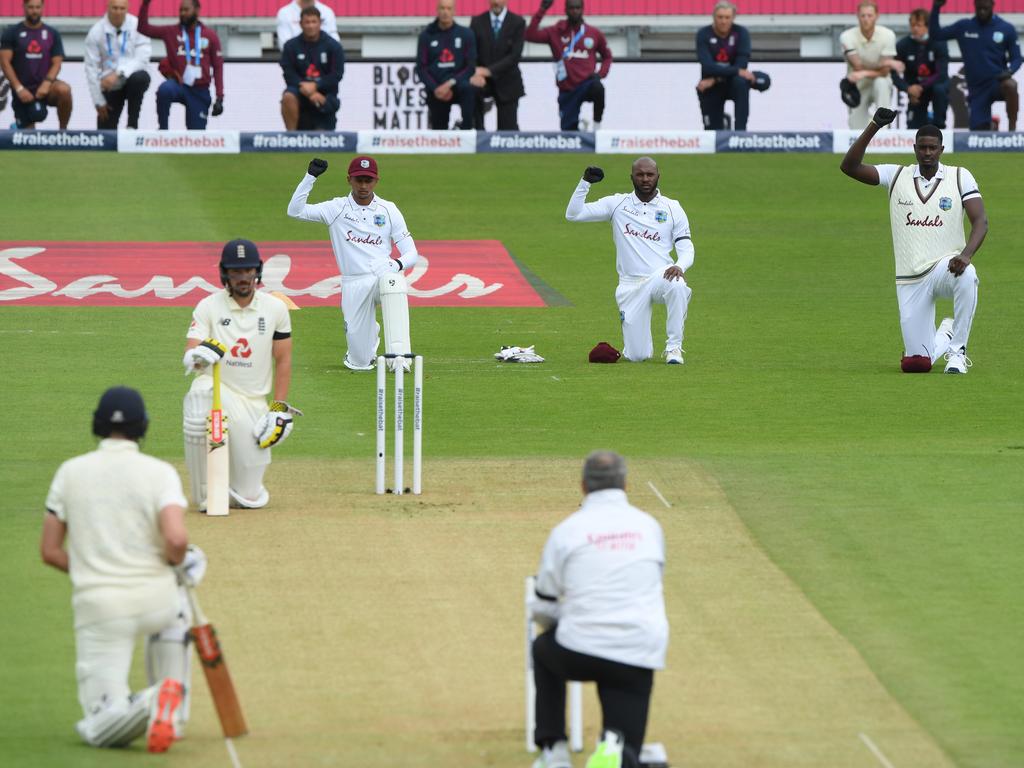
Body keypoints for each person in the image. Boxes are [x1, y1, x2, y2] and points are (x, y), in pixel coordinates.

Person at [41, 386, 203, 753]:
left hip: (100, 608)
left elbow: (50, 551)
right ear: (142, 427)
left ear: (97, 425)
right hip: (156, 599)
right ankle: (170, 712)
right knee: (176, 605)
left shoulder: (70, 472)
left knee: (99, 724)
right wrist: (173, 566)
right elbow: (176, 541)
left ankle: (148, 703)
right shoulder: (160, 473)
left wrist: (91, 569)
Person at [528, 451, 668, 768]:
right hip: (637, 651)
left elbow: (544, 599)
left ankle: (555, 750)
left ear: (583, 486)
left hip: (579, 649)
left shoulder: (567, 530)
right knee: (624, 750)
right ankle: (615, 747)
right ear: (626, 484)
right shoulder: (649, 526)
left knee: (542, 650)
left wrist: (561, 624)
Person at [840, 108, 986, 374]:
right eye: (922, 148)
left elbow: (980, 222)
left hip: (946, 267)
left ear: (941, 149)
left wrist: (965, 255)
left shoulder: (959, 176)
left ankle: (957, 353)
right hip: (910, 278)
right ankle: (947, 333)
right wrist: (874, 126)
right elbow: (849, 167)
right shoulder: (896, 175)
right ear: (914, 148)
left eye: (932, 148)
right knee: (916, 365)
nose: (927, 153)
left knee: (968, 275)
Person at [182, 240, 298, 509]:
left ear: (257, 271)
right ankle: (205, 495)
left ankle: (235, 489)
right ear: (225, 274)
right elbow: (191, 351)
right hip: (219, 392)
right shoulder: (208, 306)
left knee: (248, 493)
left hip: (253, 403)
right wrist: (196, 357)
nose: (243, 277)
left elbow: (283, 359)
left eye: (248, 270)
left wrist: (278, 407)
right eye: (236, 271)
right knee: (200, 391)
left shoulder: (275, 308)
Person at [287, 156, 420, 371]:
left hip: (381, 277)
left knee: (394, 283)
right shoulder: (336, 208)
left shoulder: (388, 210)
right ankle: (367, 335)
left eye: (369, 180)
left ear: (376, 181)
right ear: (349, 179)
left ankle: (400, 357)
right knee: (360, 362)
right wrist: (310, 177)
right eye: (359, 180)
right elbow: (295, 211)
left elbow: (412, 253)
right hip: (353, 283)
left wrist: (395, 265)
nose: (364, 186)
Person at [565, 158, 694, 366]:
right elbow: (573, 214)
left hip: (661, 276)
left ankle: (674, 348)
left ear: (658, 176)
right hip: (630, 285)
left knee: (678, 285)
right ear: (631, 177)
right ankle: (635, 346)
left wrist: (679, 265)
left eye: (650, 175)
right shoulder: (617, 204)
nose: (645, 179)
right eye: (640, 174)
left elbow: (686, 247)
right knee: (637, 356)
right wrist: (585, 183)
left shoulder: (672, 207)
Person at [929, 0, 1021, 130]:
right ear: (975, 6)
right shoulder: (964, 27)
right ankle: (991, 126)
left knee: (1011, 85)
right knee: (979, 134)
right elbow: (936, 34)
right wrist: (936, 7)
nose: (982, 11)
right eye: (979, 8)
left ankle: (1012, 130)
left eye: (985, 8)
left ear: (992, 5)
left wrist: (1010, 71)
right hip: (977, 88)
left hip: (997, 82)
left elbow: (1017, 57)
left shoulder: (1006, 28)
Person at [526, 0, 612, 131]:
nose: (575, 11)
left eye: (578, 8)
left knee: (598, 88)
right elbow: (529, 35)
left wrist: (600, 74)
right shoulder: (556, 31)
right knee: (569, 134)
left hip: (586, 83)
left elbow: (607, 56)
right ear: (565, 10)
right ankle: (580, 128)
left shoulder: (593, 33)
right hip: (567, 88)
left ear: (582, 9)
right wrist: (542, 10)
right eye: (571, 8)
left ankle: (597, 126)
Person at [138, 0, 224, 130]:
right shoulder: (171, 32)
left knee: (196, 138)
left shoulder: (210, 36)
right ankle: (163, 130)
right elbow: (143, 28)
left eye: (186, 10)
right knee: (164, 90)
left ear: (197, 10)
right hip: (179, 85)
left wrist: (219, 97)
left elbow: (218, 67)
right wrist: (145, 4)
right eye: (180, 10)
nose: (182, 13)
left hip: (200, 90)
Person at [0, 0, 72, 129]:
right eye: (31, 7)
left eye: (37, 7)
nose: (34, 11)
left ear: (42, 7)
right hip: (23, 90)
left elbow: (57, 62)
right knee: (28, 139)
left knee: (64, 90)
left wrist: (47, 83)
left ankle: (63, 132)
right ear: (24, 7)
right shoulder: (12, 32)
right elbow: (5, 63)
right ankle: (17, 126)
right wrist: (19, 88)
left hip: (46, 88)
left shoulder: (52, 33)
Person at [84, 0, 152, 129]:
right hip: (110, 86)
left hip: (131, 79)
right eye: (115, 8)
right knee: (105, 134)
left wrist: (119, 73)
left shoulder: (138, 26)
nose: (118, 12)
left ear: (127, 8)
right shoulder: (95, 32)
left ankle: (132, 126)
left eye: (122, 8)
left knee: (140, 78)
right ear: (108, 7)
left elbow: (142, 59)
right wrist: (98, 101)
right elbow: (91, 68)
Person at [280, 5, 344, 130]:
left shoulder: (333, 46)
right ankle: (291, 139)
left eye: (314, 22)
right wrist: (305, 88)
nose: (310, 26)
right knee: (288, 97)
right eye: (307, 22)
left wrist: (316, 86)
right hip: (299, 92)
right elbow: (288, 72)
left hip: (324, 95)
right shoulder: (291, 46)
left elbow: (337, 74)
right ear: (300, 24)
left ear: (320, 23)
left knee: (322, 142)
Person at [840, 1, 902, 129]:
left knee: (882, 82)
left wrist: (864, 73)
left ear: (876, 16)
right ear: (857, 16)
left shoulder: (888, 35)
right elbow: (857, 66)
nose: (866, 19)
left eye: (869, 15)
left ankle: (884, 134)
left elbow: (884, 73)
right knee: (856, 129)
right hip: (858, 86)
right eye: (863, 16)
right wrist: (886, 62)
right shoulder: (847, 36)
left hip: (876, 82)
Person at [416, 0, 477, 130]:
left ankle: (467, 131)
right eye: (442, 8)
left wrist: (450, 83)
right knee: (439, 127)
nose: (445, 12)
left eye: (449, 9)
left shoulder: (466, 34)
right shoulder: (426, 35)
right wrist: (436, 88)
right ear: (437, 10)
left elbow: (470, 66)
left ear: (454, 11)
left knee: (468, 89)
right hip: (437, 88)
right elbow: (421, 67)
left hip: (458, 84)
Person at [695, 1, 756, 130]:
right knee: (713, 131)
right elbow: (708, 67)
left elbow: (742, 64)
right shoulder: (703, 34)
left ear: (733, 18)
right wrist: (734, 72)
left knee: (741, 82)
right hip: (711, 86)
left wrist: (716, 77)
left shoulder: (741, 33)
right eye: (720, 17)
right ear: (713, 17)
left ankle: (741, 135)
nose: (723, 21)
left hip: (728, 82)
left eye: (727, 17)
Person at [469, 0, 526, 130]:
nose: (496, 2)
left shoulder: (517, 22)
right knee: (476, 127)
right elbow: (471, 52)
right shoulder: (477, 22)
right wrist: (475, 73)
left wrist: (488, 71)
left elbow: (514, 56)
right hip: (482, 82)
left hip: (508, 82)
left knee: (507, 132)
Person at [893, 8, 949, 128]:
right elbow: (893, 73)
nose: (915, 28)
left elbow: (941, 73)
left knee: (939, 90)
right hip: (914, 91)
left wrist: (921, 87)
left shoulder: (939, 42)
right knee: (914, 127)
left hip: (933, 86)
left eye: (919, 25)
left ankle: (940, 125)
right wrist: (907, 88)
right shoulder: (903, 45)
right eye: (912, 25)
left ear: (927, 26)